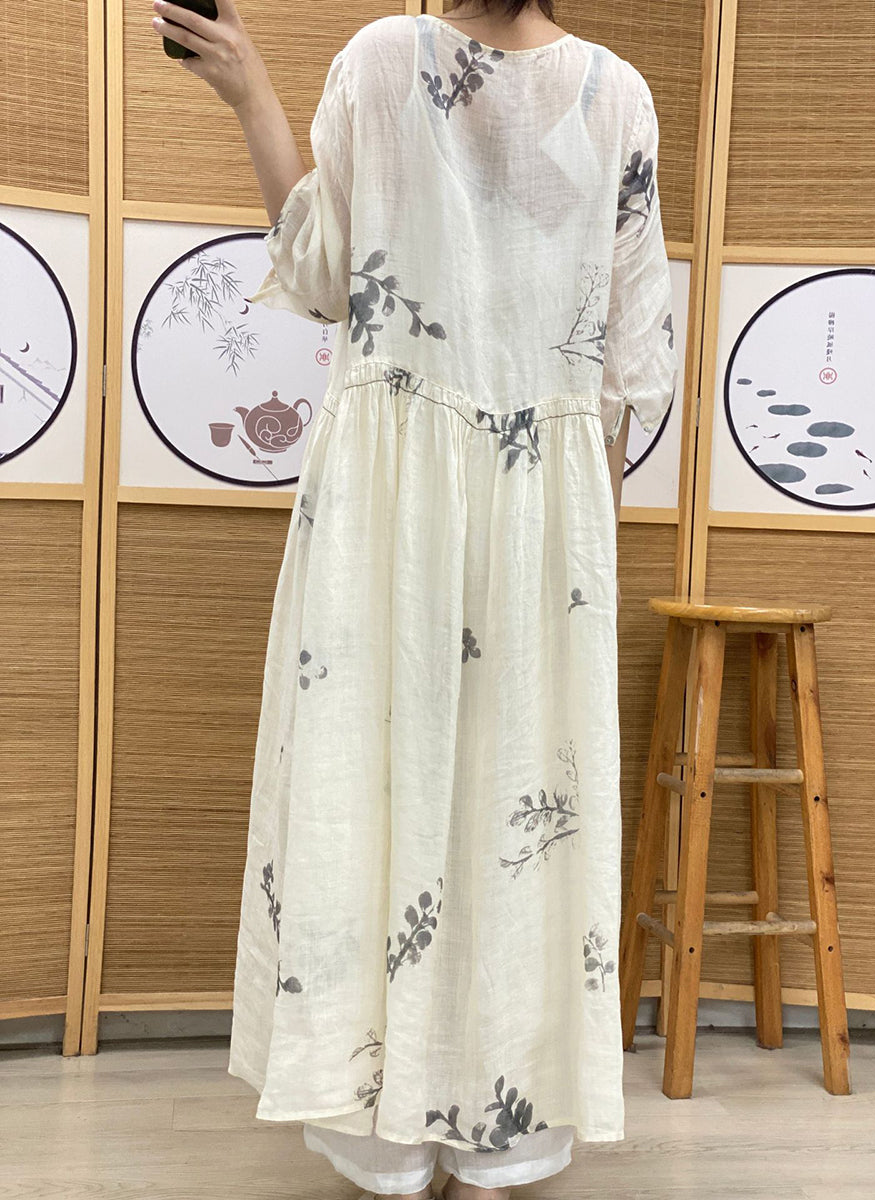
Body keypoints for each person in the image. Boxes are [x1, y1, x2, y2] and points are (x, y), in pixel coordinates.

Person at [149, 0, 677, 1197]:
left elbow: (325, 275)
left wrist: (253, 97)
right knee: (516, 793)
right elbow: (629, 362)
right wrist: (582, 546)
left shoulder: (389, 57)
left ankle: (390, 1133)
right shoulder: (614, 93)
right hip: (536, 503)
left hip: (396, 498)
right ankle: (497, 1132)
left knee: (372, 777)